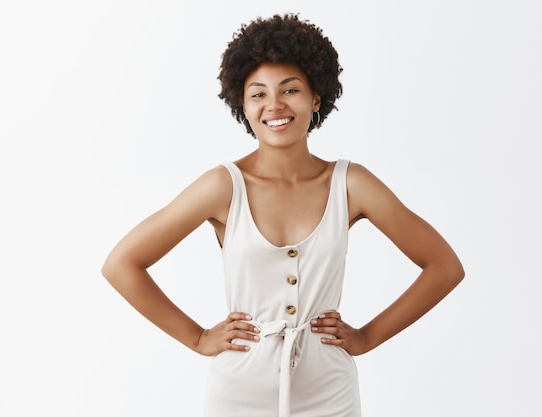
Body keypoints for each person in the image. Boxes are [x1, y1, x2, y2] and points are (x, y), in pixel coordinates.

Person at [101, 13, 464, 417]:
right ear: (242, 103)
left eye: (289, 90)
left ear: (315, 98)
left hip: (330, 391)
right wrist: (199, 337)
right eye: (258, 94)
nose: (274, 105)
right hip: (238, 390)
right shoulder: (223, 186)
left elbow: (444, 266)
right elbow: (122, 264)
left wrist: (367, 337)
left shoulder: (351, 184)